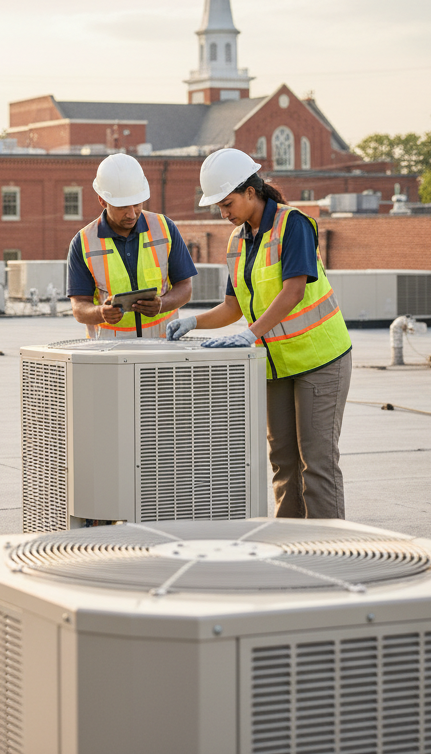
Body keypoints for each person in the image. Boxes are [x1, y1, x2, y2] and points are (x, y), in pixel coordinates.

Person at [167, 148, 352, 519]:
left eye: (227, 202)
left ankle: (328, 550)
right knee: (283, 462)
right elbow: (232, 307)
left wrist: (250, 334)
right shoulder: (238, 240)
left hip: (321, 360)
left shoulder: (293, 224)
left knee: (316, 464)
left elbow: (294, 290)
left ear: (251, 191)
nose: (223, 213)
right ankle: (289, 545)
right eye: (218, 206)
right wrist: (192, 322)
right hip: (276, 366)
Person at [67, 152, 197, 338]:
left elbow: (185, 288)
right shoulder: (83, 242)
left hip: (162, 347)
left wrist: (162, 304)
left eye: (136, 204)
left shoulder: (164, 228)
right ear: (102, 200)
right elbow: (79, 306)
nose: (131, 214)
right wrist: (100, 313)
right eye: (122, 207)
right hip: (109, 351)